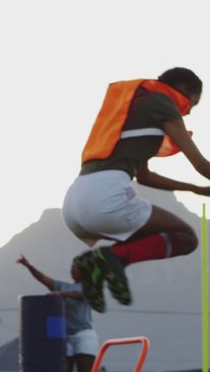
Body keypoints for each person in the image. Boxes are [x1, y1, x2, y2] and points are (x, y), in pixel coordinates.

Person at [65, 68, 210, 312]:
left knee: (152, 237)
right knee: (186, 238)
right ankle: (105, 259)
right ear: (184, 90)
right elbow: (200, 164)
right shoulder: (164, 104)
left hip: (74, 202)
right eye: (191, 105)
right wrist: (199, 181)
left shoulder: (131, 107)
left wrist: (195, 189)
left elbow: (144, 177)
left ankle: (96, 267)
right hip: (106, 197)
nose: (187, 112)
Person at [17, 256, 101, 372]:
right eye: (71, 267)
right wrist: (29, 266)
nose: (71, 270)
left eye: (75, 267)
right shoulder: (62, 285)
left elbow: (83, 296)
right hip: (65, 337)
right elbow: (44, 279)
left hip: (84, 334)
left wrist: (61, 294)